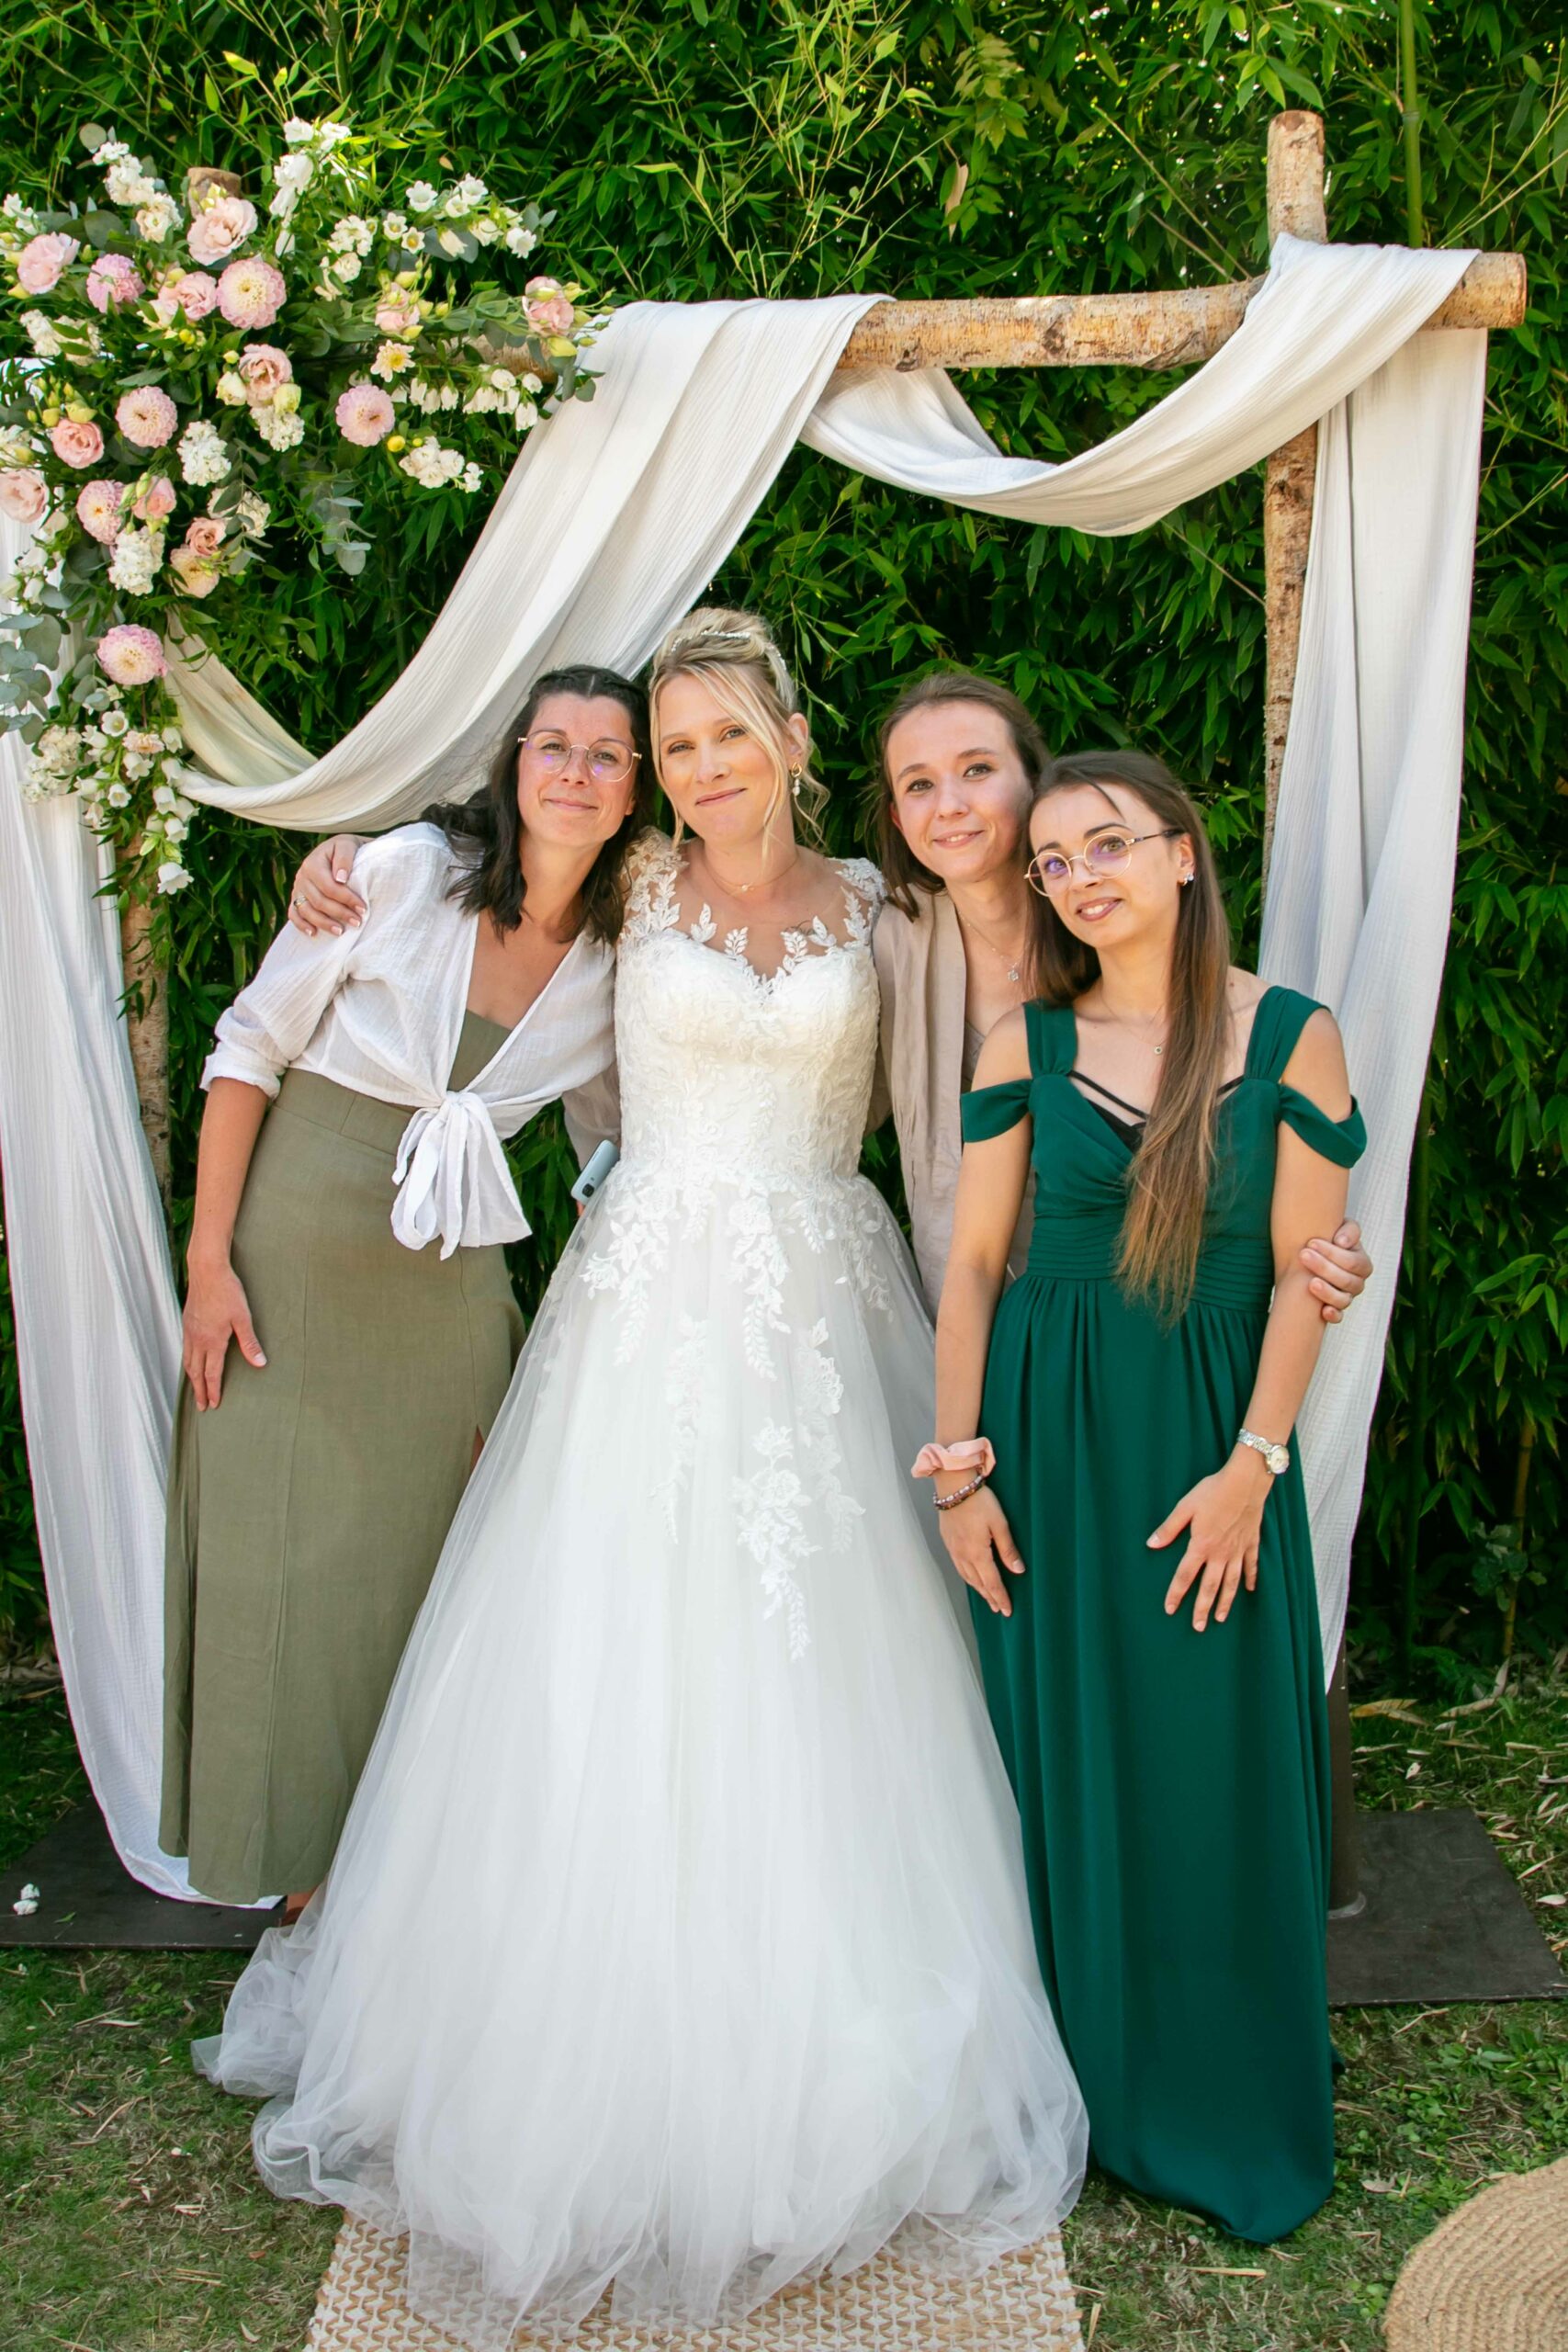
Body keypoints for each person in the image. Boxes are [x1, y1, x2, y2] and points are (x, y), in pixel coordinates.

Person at [195, 608, 1087, 2349]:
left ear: (789, 738)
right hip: (639, 1306)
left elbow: (995, 1004)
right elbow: (492, 889)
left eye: (724, 735)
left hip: (825, 1302)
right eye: (673, 747)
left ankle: (836, 2036)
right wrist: (343, 864)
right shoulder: (630, 892)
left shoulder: (879, 908)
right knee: (605, 1646)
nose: (697, 769)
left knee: (830, 1664)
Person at [292, 668, 1375, 1322]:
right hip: (664, 1262)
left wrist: (1303, 1242)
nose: (951, 807)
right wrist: (370, 856)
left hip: (944, 1274)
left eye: (977, 772)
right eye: (680, 746)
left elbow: (1184, 1066)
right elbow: (539, 855)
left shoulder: (899, 913)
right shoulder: (650, 878)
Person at [929, 748, 1364, 2242]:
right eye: (1052, 860)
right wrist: (956, 1470)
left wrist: (1253, 1469)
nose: (1077, 877)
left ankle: (1219, 2076)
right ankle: (1084, 2079)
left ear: (1182, 852)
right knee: (1068, 1752)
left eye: (1105, 843)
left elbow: (1306, 1276)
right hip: (1044, 1445)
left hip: (1210, 1447)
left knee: (1208, 1754)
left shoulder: (1292, 1037)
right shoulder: (1023, 1041)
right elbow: (972, 1265)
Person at [164, 668, 649, 1914]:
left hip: (448, 1278)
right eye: (553, 745)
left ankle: (401, 1875)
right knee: (281, 1555)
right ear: (514, 762)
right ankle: (287, 1870)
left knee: (429, 1564)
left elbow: (622, 1125)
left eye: (606, 754)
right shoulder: (400, 874)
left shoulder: (624, 955)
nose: (574, 772)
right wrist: (209, 1265)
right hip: (292, 1249)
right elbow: (247, 1049)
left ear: (634, 792)